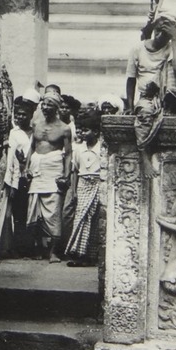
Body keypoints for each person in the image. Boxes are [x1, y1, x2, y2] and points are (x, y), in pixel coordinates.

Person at [0, 94, 35, 259]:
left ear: (31, 115)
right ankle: (18, 247)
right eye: (17, 114)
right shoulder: (14, 133)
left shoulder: (35, 132)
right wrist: (12, 184)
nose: (20, 117)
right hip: (18, 178)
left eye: (24, 114)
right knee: (18, 214)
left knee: (31, 212)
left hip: (34, 177)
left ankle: (31, 246)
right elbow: (11, 159)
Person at [25, 91, 73, 262]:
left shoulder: (64, 129)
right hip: (37, 170)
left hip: (54, 170)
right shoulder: (36, 123)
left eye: (49, 105)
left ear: (57, 107)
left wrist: (66, 176)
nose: (45, 108)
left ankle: (53, 251)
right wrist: (26, 167)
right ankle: (39, 248)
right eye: (44, 104)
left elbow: (68, 154)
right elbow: (32, 147)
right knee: (34, 210)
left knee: (53, 212)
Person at [64, 108, 103, 267]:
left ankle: (89, 256)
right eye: (81, 130)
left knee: (93, 220)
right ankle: (77, 252)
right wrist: (73, 190)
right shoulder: (78, 148)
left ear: (96, 131)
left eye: (87, 130)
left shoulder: (102, 148)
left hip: (97, 184)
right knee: (80, 217)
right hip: (82, 184)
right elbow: (74, 171)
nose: (83, 134)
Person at [125, 15, 176, 113]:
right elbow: (131, 79)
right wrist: (129, 107)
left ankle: (174, 105)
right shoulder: (137, 49)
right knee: (145, 114)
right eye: (158, 30)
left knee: (171, 65)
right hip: (147, 98)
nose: (160, 35)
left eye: (164, 33)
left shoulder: (173, 49)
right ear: (154, 30)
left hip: (167, 99)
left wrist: (174, 39)